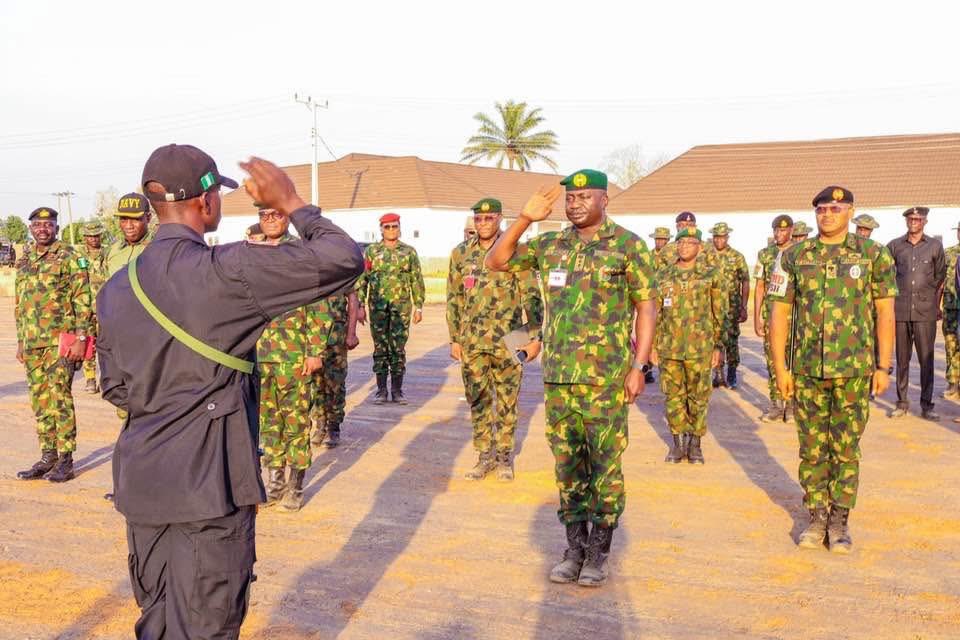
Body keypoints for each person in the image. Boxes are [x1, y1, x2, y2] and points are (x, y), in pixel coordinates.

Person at [96, 144, 363, 639]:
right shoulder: (228, 271)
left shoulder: (115, 286)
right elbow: (344, 259)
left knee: (157, 622)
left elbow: (115, 388)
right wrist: (292, 202)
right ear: (205, 203)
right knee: (206, 627)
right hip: (209, 489)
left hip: (144, 486)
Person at [486, 169, 656, 588]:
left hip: (607, 379)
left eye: (584, 196)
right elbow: (497, 260)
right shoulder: (551, 245)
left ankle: (598, 553)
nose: (575, 203)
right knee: (567, 467)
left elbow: (647, 307)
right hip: (560, 379)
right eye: (570, 197)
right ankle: (573, 549)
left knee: (605, 467)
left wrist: (639, 366)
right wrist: (525, 219)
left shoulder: (628, 246)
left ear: (604, 199)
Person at [768, 185, 896, 554]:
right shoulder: (794, 255)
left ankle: (840, 521)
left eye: (836, 208)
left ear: (851, 212)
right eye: (822, 209)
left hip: (854, 370)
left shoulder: (873, 255)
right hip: (807, 370)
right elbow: (780, 312)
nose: (828, 214)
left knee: (846, 449)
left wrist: (882, 366)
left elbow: (885, 311)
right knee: (811, 448)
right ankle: (816, 517)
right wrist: (781, 369)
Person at [447, 197, 543, 481]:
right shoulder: (461, 254)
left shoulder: (516, 252)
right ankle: (483, 455)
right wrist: (455, 338)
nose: (483, 223)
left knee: (506, 400)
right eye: (478, 219)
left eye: (489, 218)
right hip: (473, 340)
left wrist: (534, 336)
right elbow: (454, 298)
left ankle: (503, 457)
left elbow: (532, 297)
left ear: (500, 219)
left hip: (511, 339)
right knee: (477, 398)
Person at [249, 212, 330, 512]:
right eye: (264, 215)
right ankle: (275, 483)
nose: (270, 219)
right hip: (260, 356)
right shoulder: (251, 254)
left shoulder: (301, 254)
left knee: (295, 422)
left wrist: (315, 351)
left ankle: (295, 486)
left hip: (294, 356)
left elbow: (318, 304)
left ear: (286, 217)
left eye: (276, 214)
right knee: (268, 424)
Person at [14, 207, 93, 483]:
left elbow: (83, 299)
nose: (43, 229)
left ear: (57, 228)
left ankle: (66, 459)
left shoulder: (70, 257)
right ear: (31, 229)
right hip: (33, 343)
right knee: (40, 400)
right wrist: (21, 341)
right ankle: (48, 456)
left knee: (60, 399)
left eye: (48, 225)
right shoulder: (24, 261)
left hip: (61, 342)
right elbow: (20, 304)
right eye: (37, 225)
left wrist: (82, 340)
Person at [652, 228, 724, 464]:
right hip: (669, 347)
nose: (684, 247)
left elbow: (718, 313)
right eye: (681, 242)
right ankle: (677, 443)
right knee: (673, 396)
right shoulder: (663, 275)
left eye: (690, 243)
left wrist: (717, 347)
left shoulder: (710, 275)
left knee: (698, 397)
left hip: (700, 348)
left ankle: (695, 443)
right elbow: (655, 313)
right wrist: (652, 346)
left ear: (700, 247)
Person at [355, 213, 425, 404]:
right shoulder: (372, 252)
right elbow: (363, 280)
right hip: (378, 309)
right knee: (380, 349)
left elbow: (416, 279)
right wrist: (360, 305)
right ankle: (381, 391)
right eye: (387, 227)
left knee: (398, 349)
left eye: (394, 226)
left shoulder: (409, 252)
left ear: (399, 227)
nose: (391, 230)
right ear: (381, 229)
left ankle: (397, 390)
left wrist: (419, 306)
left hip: (400, 309)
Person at [887, 206, 945, 420]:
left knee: (926, 360)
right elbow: (886, 275)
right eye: (910, 218)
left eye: (918, 219)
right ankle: (901, 403)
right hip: (901, 310)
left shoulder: (935, 246)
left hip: (925, 311)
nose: (914, 222)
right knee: (902, 359)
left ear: (925, 222)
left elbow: (940, 277)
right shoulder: (894, 246)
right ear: (906, 221)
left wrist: (932, 301)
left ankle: (927, 405)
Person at [753, 215, 794, 422]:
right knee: (772, 360)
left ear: (791, 231)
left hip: (794, 318)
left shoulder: (800, 254)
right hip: (772, 317)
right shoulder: (765, 254)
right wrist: (757, 317)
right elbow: (760, 286)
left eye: (783, 230)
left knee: (794, 361)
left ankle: (793, 405)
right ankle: (776, 404)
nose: (779, 234)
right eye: (776, 230)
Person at [311, 291, 360, 448]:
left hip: (336, 335)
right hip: (313, 334)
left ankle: (334, 427)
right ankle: (320, 425)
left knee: (336, 383)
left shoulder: (342, 266)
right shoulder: (308, 267)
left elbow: (353, 297)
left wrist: (351, 333)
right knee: (316, 383)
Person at [709, 222, 749, 389]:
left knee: (731, 340)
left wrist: (744, 306)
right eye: (716, 237)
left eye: (722, 237)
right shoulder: (706, 256)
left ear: (727, 237)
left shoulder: (737, 257)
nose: (719, 240)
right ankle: (718, 373)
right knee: (714, 340)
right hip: (712, 306)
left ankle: (732, 372)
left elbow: (745, 281)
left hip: (732, 306)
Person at [78, 221, 109, 394]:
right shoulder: (78, 255)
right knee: (88, 344)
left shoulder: (108, 253)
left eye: (96, 235)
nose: (93, 239)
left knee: (106, 345)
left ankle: (107, 378)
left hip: (105, 307)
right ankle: (90, 378)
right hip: (85, 308)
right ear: (85, 237)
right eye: (90, 236)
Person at [106, 192, 153, 276]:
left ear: (148, 218)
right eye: (123, 219)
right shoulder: (112, 250)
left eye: (135, 219)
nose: (128, 226)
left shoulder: (159, 248)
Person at [943, 222, 960, 400]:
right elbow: (939, 280)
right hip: (950, 307)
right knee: (950, 344)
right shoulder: (948, 253)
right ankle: (952, 383)